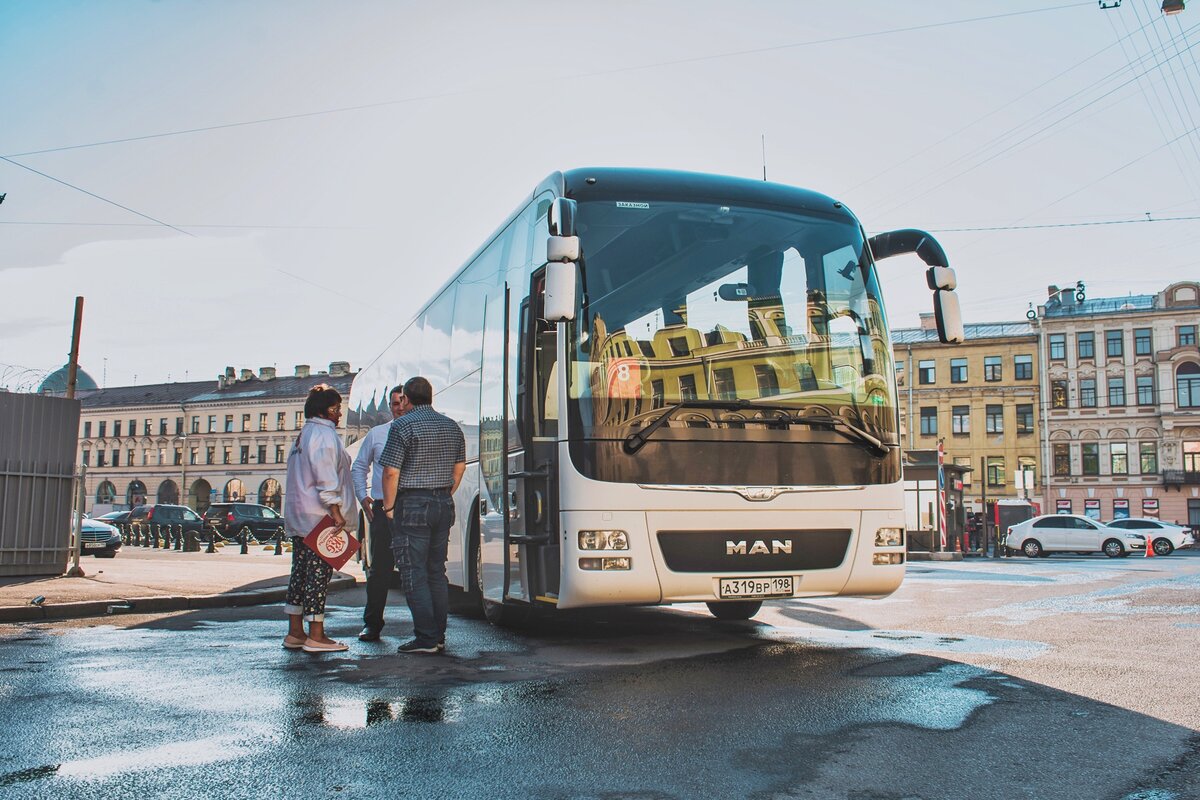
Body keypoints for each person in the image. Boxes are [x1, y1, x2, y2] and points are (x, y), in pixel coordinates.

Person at [380, 376, 466, 654]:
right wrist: (443, 495)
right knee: (436, 572)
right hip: (443, 502)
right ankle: (438, 636)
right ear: (431, 396)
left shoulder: (402, 425)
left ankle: (426, 638)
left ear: (405, 398)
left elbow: (391, 471)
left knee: (413, 573)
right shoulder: (452, 426)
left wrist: (390, 507)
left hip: (412, 504)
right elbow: (460, 468)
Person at [282, 384, 359, 653]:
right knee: (318, 575)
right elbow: (326, 477)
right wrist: (336, 512)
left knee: (300, 573)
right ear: (326, 410)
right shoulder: (324, 436)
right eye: (336, 408)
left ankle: (295, 632)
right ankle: (317, 635)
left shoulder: (303, 436)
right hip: (320, 518)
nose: (339, 414)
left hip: (300, 516)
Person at [350, 384, 408, 641]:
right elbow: (359, 467)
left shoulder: (417, 432)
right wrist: (363, 498)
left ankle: (425, 629)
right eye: (395, 403)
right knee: (380, 570)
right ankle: (372, 624)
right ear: (390, 406)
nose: (400, 408)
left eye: (404, 403)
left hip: (410, 507)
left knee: (415, 570)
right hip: (382, 509)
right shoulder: (377, 434)